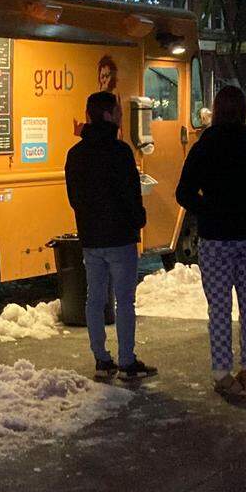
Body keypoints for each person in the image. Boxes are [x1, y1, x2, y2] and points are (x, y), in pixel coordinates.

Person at [176, 85, 246, 396]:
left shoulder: (204, 146)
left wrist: (209, 208)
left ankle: (222, 372)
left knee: (219, 307)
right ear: (244, 111)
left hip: (215, 238)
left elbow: (183, 192)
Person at [65, 91, 156, 381]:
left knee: (94, 299)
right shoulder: (120, 152)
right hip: (120, 237)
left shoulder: (76, 154)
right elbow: (131, 194)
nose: (120, 115)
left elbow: (74, 198)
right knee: (124, 300)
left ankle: (102, 359)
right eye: (116, 111)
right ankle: (127, 361)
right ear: (106, 114)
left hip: (91, 238)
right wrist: (137, 220)